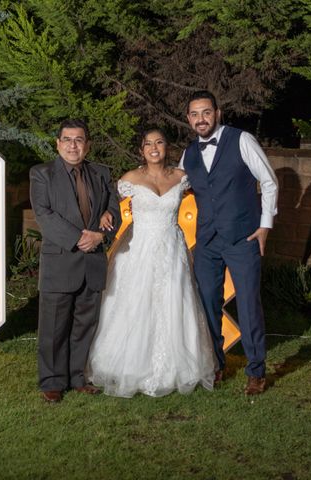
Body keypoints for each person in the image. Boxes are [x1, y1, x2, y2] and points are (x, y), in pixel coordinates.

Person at [87, 128, 216, 398]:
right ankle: (128, 365)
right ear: (141, 150)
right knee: (135, 302)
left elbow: (210, 194)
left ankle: (175, 367)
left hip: (172, 247)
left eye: (159, 142)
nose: (154, 148)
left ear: (167, 147)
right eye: (148, 144)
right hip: (138, 249)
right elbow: (109, 203)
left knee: (173, 300)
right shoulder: (130, 179)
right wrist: (103, 215)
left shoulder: (182, 178)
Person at [180, 90, 278, 396]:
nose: (201, 119)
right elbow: (175, 189)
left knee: (248, 304)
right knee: (208, 303)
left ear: (217, 113)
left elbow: (270, 181)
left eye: (206, 112)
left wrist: (265, 226)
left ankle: (256, 371)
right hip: (207, 242)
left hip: (242, 237)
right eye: (195, 114)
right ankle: (216, 364)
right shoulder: (189, 154)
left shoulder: (242, 140)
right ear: (189, 119)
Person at [29, 118, 120, 403]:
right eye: (67, 139)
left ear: (87, 145)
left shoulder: (102, 173)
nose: (73, 145)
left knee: (84, 325)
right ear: (58, 143)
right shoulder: (41, 174)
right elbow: (44, 214)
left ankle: (77, 377)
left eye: (79, 140)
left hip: (92, 262)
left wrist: (103, 233)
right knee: (54, 327)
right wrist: (82, 238)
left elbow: (114, 211)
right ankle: (52, 381)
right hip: (61, 260)